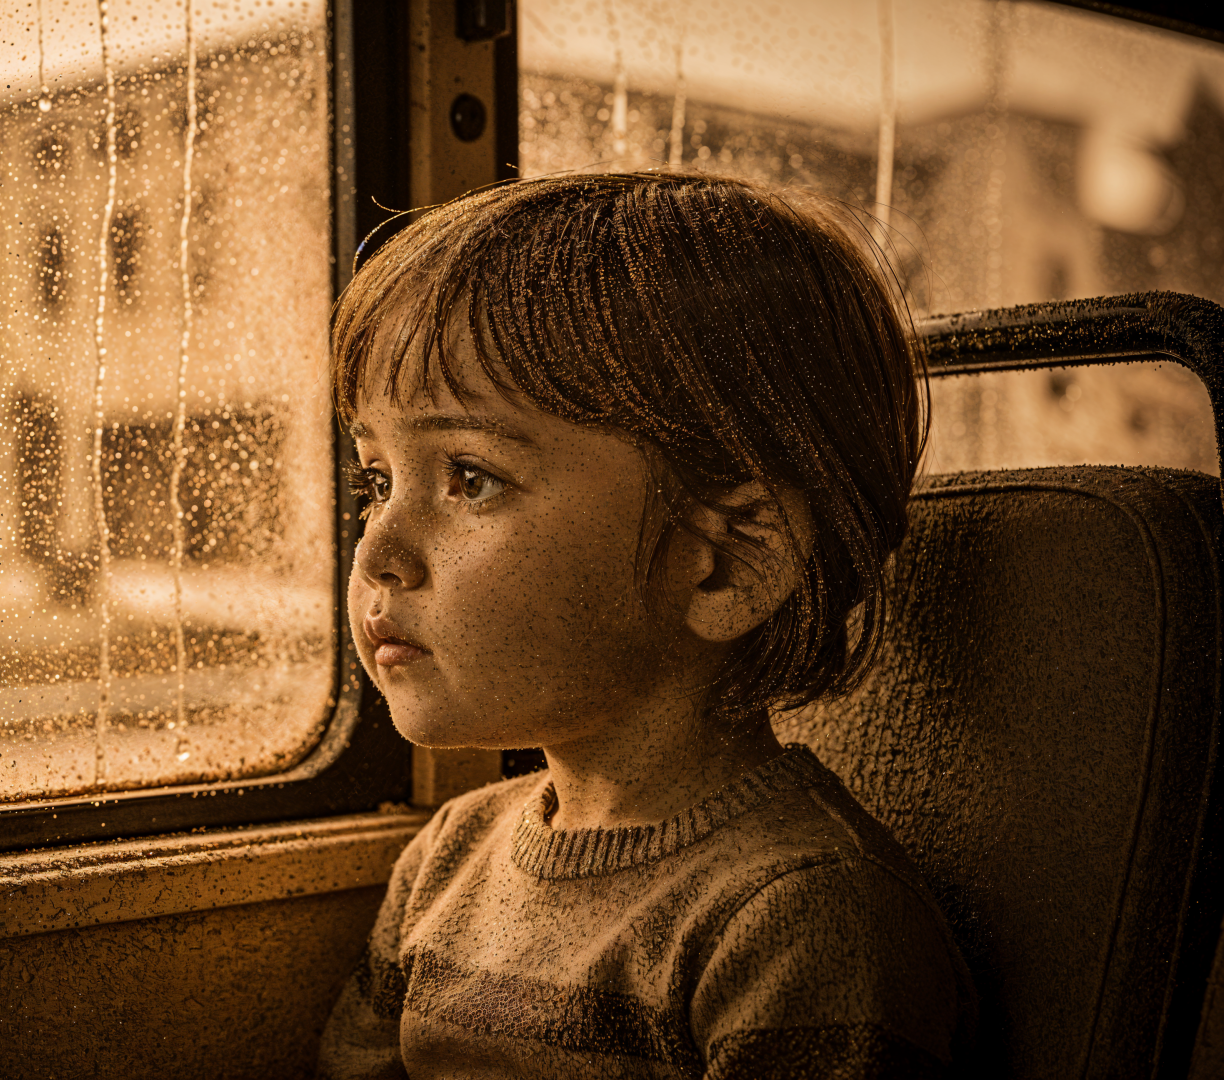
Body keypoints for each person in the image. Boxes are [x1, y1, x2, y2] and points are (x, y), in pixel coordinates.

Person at [317, 172, 976, 1079]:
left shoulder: (795, 920)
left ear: (728, 560)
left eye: (471, 478)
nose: (378, 550)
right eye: (377, 481)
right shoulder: (448, 854)